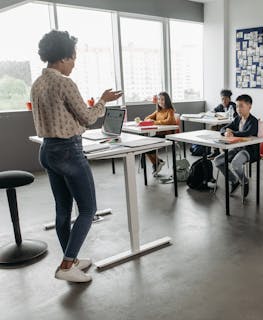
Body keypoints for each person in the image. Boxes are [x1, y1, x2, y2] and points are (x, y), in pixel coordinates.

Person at [31, 30, 122, 282]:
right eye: (73, 58)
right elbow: (89, 117)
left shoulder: (37, 83)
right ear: (62, 58)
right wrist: (103, 100)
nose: (74, 62)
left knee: (62, 209)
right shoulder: (64, 82)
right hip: (69, 151)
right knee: (87, 209)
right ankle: (67, 265)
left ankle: (69, 259)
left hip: (47, 150)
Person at [213, 94, 258, 197]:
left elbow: (247, 132)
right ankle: (234, 180)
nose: (238, 109)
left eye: (241, 106)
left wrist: (232, 132)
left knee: (235, 164)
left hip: (249, 150)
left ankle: (244, 181)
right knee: (217, 161)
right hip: (237, 148)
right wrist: (226, 132)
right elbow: (223, 128)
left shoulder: (253, 121)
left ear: (249, 106)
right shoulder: (237, 119)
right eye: (237, 106)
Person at [144, 92, 177, 176]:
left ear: (167, 101)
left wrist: (155, 122)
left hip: (168, 135)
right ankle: (157, 163)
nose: (160, 101)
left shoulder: (170, 111)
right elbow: (146, 118)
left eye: (162, 99)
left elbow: (170, 121)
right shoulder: (158, 111)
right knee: (145, 147)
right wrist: (149, 120)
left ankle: (157, 163)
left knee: (149, 147)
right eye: (159, 99)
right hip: (159, 135)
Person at [207, 89, 238, 159]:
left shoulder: (233, 106)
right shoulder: (220, 106)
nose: (224, 101)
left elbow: (236, 118)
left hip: (232, 126)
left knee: (221, 130)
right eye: (222, 99)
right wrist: (213, 114)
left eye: (226, 99)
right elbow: (212, 112)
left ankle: (225, 151)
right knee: (212, 128)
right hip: (223, 125)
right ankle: (216, 151)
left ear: (229, 99)